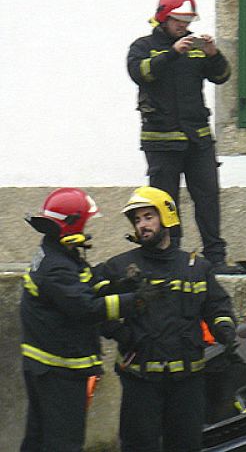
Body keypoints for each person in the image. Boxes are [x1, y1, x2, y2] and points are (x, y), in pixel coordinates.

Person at [97, 186, 237, 452]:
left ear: (167, 217)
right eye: (137, 219)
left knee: (186, 446)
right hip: (140, 382)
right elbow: (94, 309)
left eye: (148, 217)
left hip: (187, 383)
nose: (142, 225)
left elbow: (217, 306)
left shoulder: (197, 267)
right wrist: (121, 333)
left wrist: (225, 330)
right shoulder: (118, 267)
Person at [19, 188, 155, 452]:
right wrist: (135, 301)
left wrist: (120, 285)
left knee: (38, 438)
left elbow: (83, 286)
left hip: (45, 367)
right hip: (59, 370)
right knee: (64, 442)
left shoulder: (57, 252)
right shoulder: (57, 266)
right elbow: (86, 308)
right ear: (73, 224)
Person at [127, 0, 231, 268]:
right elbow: (141, 73)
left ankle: (215, 258)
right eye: (178, 21)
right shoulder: (142, 47)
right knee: (165, 203)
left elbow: (221, 76)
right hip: (161, 142)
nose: (183, 26)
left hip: (198, 140)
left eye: (187, 21)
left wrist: (213, 54)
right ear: (163, 17)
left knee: (208, 199)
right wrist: (172, 53)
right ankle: (170, 257)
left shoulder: (195, 49)